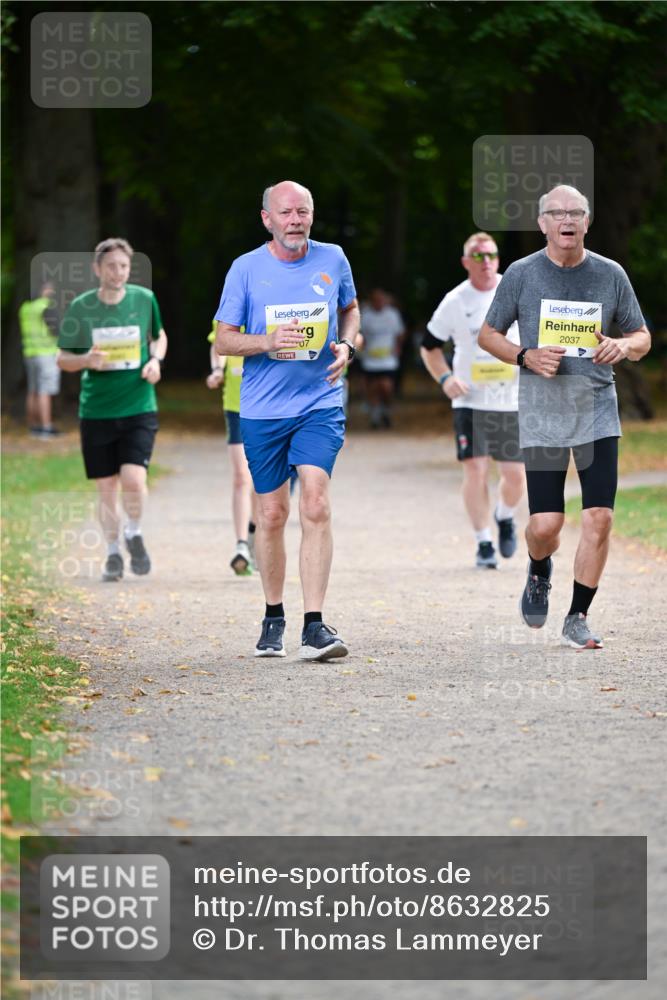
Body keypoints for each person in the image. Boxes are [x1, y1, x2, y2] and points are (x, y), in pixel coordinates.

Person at [479, 184, 650, 649]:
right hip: (543, 414)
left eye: (576, 212)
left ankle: (578, 615)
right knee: (545, 526)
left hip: (596, 411)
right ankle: (539, 568)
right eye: (557, 213)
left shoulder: (610, 274)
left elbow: (641, 336)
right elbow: (488, 334)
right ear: (543, 224)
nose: (566, 219)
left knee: (599, 517)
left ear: (587, 222)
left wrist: (623, 346)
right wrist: (524, 356)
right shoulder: (521, 273)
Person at [214, 180, 360, 661]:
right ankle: (273, 613)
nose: (296, 219)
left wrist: (348, 345)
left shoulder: (333, 258)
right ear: (267, 219)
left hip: (320, 401)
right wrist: (266, 341)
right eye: (286, 212)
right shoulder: (246, 269)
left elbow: (350, 309)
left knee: (315, 503)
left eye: (303, 211)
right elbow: (224, 340)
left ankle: (314, 625)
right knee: (271, 514)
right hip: (262, 410)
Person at [57, 238, 167, 582]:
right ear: (97, 269)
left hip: (138, 405)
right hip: (97, 411)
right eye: (111, 266)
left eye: (123, 266)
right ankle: (112, 553)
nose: (118, 272)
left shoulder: (144, 299)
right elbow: (63, 359)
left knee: (134, 479)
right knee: (106, 487)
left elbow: (159, 336)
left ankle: (133, 532)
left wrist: (155, 360)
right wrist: (86, 359)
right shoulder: (81, 306)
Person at [421, 233, 525, 569]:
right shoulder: (455, 300)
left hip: (510, 398)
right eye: (478, 256)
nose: (486, 261)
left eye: (491, 255)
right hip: (470, 399)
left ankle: (505, 515)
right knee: (476, 469)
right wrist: (445, 379)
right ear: (466, 262)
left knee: (515, 476)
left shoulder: (515, 290)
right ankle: (483, 542)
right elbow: (429, 346)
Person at [206, 326, 257, 574]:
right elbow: (219, 345)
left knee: (263, 480)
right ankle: (241, 545)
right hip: (236, 405)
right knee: (241, 477)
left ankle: (256, 536)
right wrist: (217, 369)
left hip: (268, 403)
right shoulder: (231, 305)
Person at [20, 281, 61, 437]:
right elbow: (55, 330)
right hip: (46, 353)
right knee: (45, 391)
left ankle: (34, 427)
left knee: (33, 390)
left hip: (30, 353)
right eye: (50, 288)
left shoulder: (26, 308)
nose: (51, 291)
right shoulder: (45, 306)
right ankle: (46, 427)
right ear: (43, 289)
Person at [359, 288, 405, 428]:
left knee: (386, 387)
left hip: (388, 360)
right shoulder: (365, 315)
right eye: (376, 300)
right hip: (370, 359)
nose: (379, 303)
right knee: (372, 388)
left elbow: (400, 333)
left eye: (381, 300)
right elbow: (359, 334)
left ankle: (386, 410)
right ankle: (375, 417)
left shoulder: (392, 315)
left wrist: (398, 347)